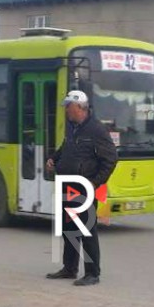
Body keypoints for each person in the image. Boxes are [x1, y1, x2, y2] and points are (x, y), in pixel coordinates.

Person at [45, 90, 118, 286]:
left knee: (86, 230)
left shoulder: (96, 130)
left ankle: (93, 273)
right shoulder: (72, 127)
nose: (66, 111)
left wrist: (95, 183)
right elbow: (65, 147)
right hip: (67, 184)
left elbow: (111, 159)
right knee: (69, 227)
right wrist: (54, 158)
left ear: (79, 108)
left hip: (84, 187)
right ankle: (70, 268)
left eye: (68, 107)